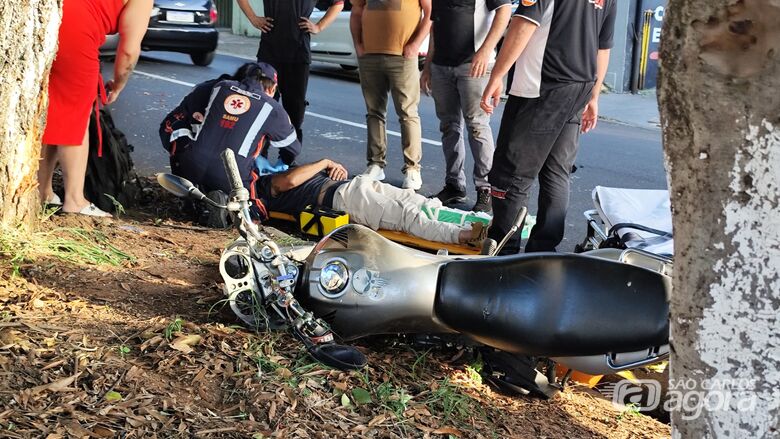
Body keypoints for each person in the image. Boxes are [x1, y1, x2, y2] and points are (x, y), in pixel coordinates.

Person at [480, 0, 617, 254]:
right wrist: (594, 95)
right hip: (580, 85)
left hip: (543, 85)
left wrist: (496, 75)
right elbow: (603, 46)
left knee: (511, 174)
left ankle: (502, 251)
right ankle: (543, 251)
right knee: (556, 171)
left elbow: (524, 23)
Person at [38, 0, 153, 217]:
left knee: (53, 113)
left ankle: (42, 192)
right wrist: (119, 84)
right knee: (75, 117)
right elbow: (128, 51)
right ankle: (75, 200)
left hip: (43, 24)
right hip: (77, 36)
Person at [253, 159, 487, 245]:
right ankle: (466, 236)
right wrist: (325, 162)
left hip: (354, 186)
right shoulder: (263, 185)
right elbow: (291, 180)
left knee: (418, 201)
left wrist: (331, 167)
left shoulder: (267, 174)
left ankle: (472, 222)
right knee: (406, 215)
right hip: (342, 200)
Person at [420, 0, 511, 213]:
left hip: (474, 65)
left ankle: (485, 188)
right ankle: (454, 185)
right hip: (441, 66)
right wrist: (427, 67)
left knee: (477, 126)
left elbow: (504, 11)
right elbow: (435, 26)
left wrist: (486, 50)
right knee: (449, 126)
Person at [164, 62, 302, 194]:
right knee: (257, 207)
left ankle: (185, 189)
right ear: (273, 88)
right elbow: (293, 148)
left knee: (186, 133)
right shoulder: (273, 108)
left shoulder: (221, 87)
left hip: (189, 166)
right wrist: (283, 163)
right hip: (232, 178)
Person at [349, 0, 432, 191]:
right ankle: (376, 165)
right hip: (369, 56)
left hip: (402, 56)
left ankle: (412, 169)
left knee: (407, 112)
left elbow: (429, 14)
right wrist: (359, 45)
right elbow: (356, 11)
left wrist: (415, 44)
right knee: (374, 112)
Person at [236, 0, 345, 142]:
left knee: (295, 109)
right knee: (263, 105)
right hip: (269, 52)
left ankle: (288, 157)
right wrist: (253, 18)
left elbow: (338, 3)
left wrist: (319, 26)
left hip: (298, 53)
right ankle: (259, 154)